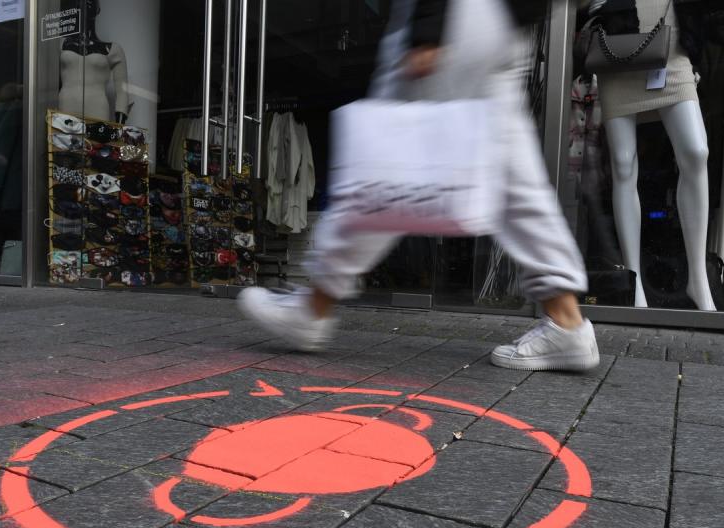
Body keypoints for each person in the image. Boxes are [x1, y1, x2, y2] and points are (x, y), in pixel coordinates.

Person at [239, 0, 600, 372]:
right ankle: (566, 320)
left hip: (455, 17)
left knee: (385, 171)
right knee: (510, 173)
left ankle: (313, 307)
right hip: (504, 21)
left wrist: (428, 28)